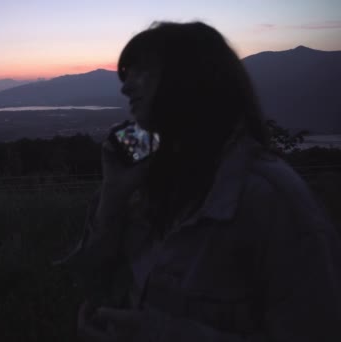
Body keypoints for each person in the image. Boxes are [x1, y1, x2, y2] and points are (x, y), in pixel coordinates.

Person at [57, 21, 341, 341]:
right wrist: (112, 194)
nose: (125, 88)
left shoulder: (272, 201)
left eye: (142, 73)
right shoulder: (143, 189)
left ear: (191, 82)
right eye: (127, 75)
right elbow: (94, 287)